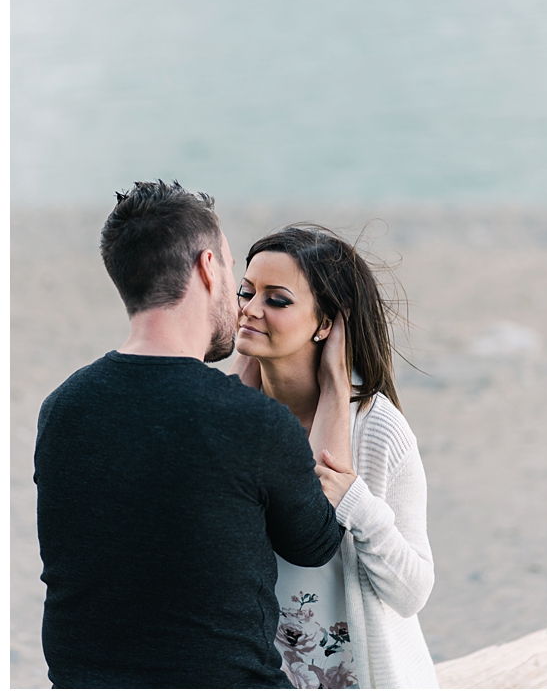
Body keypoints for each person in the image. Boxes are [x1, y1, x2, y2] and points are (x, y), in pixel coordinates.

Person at [34, 181, 343, 688]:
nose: (240, 302)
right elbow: (316, 543)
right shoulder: (250, 423)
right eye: (230, 272)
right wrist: (333, 379)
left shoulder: (63, 407)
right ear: (205, 268)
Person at [231, 225, 438, 689]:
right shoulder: (226, 417)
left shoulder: (377, 428)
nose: (249, 309)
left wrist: (358, 504)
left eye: (276, 300)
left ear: (325, 324)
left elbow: (413, 591)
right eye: (246, 292)